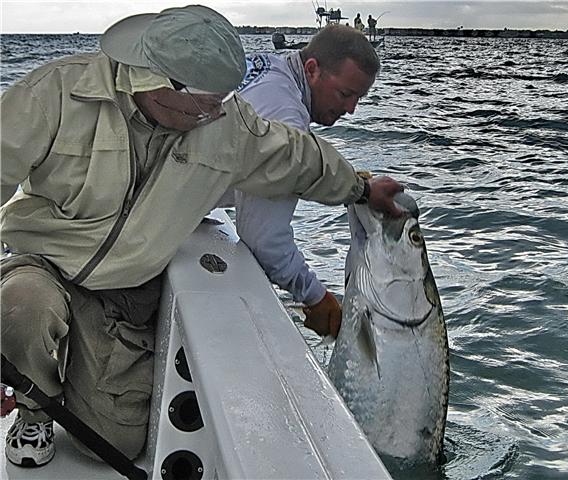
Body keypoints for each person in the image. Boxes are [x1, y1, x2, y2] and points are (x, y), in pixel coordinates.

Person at [0, 5, 404, 468]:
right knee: (22, 307)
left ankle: (63, 365)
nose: (217, 115)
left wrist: (360, 188)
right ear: (159, 82)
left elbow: (296, 157)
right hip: (41, 262)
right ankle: (33, 409)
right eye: (206, 105)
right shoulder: (53, 93)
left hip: (122, 293)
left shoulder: (222, 120)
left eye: (221, 102)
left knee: (111, 442)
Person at [234, 24, 380, 341]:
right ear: (312, 69)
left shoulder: (269, 68)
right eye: (345, 94)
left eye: (359, 97)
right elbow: (263, 238)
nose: (351, 109)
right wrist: (315, 296)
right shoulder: (285, 113)